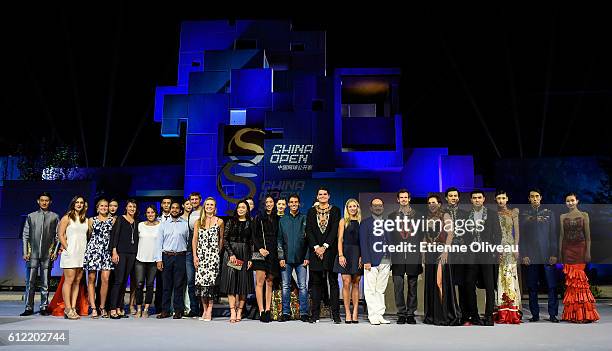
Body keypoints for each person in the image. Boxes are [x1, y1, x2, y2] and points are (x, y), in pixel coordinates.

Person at [462, 190, 502, 326]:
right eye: (474, 198)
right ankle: (474, 315)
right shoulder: (467, 216)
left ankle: (489, 316)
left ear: (484, 199)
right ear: (471, 200)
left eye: (479, 197)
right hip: (472, 254)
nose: (477, 200)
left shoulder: (491, 214)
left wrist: (494, 250)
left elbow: (498, 234)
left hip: (487, 253)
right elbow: (464, 235)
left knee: (489, 286)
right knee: (469, 284)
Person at [520, 188, 559, 323]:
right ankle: (535, 315)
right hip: (531, 255)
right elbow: (522, 237)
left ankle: (553, 314)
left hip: (547, 254)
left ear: (541, 197)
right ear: (529, 199)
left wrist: (554, 253)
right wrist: (524, 254)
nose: (535, 198)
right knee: (532, 286)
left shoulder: (549, 214)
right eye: (532, 196)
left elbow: (553, 235)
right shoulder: (524, 215)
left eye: (537, 196)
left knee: (551, 285)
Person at [560, 192, 600, 323]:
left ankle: (584, 314)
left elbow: (588, 237)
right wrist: (560, 253)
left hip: (580, 250)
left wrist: (588, 252)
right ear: (565, 203)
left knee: (580, 281)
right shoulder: (562, 216)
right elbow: (561, 236)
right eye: (567, 201)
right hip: (568, 251)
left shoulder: (584, 215)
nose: (570, 203)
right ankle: (573, 315)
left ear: (577, 201)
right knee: (571, 282)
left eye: (572, 200)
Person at [422, 194, 461, 326]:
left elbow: (451, 233)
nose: (432, 204)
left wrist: (446, 251)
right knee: (431, 283)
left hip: (441, 252)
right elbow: (424, 237)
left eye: (434, 202)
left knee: (440, 282)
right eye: (429, 202)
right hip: (429, 253)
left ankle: (444, 314)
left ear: (439, 204)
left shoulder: (445, 215)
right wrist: (423, 253)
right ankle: (432, 315)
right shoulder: (426, 218)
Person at [20, 192, 59, 316]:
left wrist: (55, 251)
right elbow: (25, 235)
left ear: (50, 202)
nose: (44, 202)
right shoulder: (31, 216)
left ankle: (43, 307)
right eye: (42, 200)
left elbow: (58, 236)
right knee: (30, 282)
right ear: (38, 201)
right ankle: (28, 307)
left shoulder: (54, 217)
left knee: (45, 282)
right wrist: (26, 252)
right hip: (32, 254)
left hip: (47, 254)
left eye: (46, 200)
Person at [306, 187, 341, 324]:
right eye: (320, 194)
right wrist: (316, 247)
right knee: (316, 284)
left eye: (325, 194)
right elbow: (308, 230)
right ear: (317, 196)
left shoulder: (335, 210)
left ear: (329, 196)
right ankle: (315, 315)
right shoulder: (310, 211)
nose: (322, 196)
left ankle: (336, 314)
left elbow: (334, 230)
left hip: (330, 251)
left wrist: (325, 247)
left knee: (333, 283)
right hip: (315, 252)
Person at [388, 189, 422, 325]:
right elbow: (390, 237)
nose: (403, 199)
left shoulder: (418, 215)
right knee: (398, 286)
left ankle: (410, 314)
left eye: (405, 197)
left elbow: (421, 236)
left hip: (413, 255)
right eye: (401, 197)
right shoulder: (391, 216)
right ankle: (401, 313)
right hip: (397, 255)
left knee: (413, 286)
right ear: (398, 199)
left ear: (409, 199)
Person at [219, 200, 255, 323]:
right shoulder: (230, 221)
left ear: (247, 210)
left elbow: (251, 242)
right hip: (232, 255)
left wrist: (251, 258)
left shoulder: (251, 223)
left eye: (243, 207)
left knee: (243, 285)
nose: (240, 209)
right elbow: (225, 239)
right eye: (239, 207)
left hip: (245, 253)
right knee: (231, 284)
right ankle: (232, 311)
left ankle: (240, 311)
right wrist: (231, 254)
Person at [155, 201, 190, 319]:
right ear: (170, 210)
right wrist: (158, 260)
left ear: (180, 210)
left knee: (179, 285)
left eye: (176, 208)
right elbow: (158, 242)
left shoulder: (185, 224)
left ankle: (178, 310)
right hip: (166, 257)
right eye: (172, 208)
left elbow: (188, 241)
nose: (174, 210)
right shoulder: (163, 224)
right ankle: (165, 310)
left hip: (180, 256)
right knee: (166, 285)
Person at [278, 194, 310, 322]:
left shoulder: (305, 218)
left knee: (303, 286)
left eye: (296, 202)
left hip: (302, 259)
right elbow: (279, 240)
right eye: (291, 202)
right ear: (288, 204)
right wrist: (281, 257)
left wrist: (307, 256)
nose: (294, 204)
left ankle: (304, 313)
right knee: (285, 286)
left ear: (299, 204)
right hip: (286, 259)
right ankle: (285, 313)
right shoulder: (283, 220)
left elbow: (309, 240)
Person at [360, 197, 392, 325]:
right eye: (375, 205)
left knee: (380, 290)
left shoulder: (387, 223)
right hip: (371, 261)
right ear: (371, 208)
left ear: (383, 207)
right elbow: (363, 243)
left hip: (386, 260)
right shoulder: (365, 223)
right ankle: (372, 315)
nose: (378, 207)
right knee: (370, 289)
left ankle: (379, 314)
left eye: (380, 205)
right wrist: (366, 260)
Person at [193, 197, 224, 321]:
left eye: (212, 204)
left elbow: (221, 238)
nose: (209, 206)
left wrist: (217, 252)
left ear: (215, 207)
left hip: (213, 257)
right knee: (201, 284)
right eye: (207, 204)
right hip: (201, 256)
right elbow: (194, 239)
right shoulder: (198, 222)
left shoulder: (220, 221)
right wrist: (195, 256)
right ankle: (204, 310)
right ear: (204, 206)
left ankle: (210, 310)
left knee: (210, 284)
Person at [58, 195, 89, 320]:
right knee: (69, 281)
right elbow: (60, 234)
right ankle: (67, 308)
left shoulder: (85, 220)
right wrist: (67, 248)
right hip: (70, 253)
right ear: (73, 203)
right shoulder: (67, 218)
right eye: (77, 202)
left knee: (77, 282)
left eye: (81, 202)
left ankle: (73, 308)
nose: (79, 204)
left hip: (81, 254)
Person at [83, 198, 115, 319]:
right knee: (91, 278)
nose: (104, 208)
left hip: (106, 251)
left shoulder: (112, 220)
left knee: (105, 279)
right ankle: (94, 308)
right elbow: (88, 236)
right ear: (97, 207)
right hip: (93, 251)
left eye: (106, 206)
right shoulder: (91, 220)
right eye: (101, 206)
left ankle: (102, 306)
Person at [108, 199, 140, 319]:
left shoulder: (137, 222)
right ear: (126, 208)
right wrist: (114, 251)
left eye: (134, 207)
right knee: (118, 281)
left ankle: (119, 308)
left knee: (124, 282)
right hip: (120, 253)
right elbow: (114, 235)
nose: (132, 209)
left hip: (132, 254)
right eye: (130, 206)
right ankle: (112, 309)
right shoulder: (120, 219)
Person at [494, 190, 522, 324]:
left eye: (503, 198)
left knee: (510, 276)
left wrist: (516, 248)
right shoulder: (494, 214)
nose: (501, 200)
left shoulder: (513, 212)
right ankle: (501, 310)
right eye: (498, 198)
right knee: (500, 277)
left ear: (507, 199)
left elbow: (516, 231)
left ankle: (512, 310)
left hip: (510, 248)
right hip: (498, 248)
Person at [333, 199, 362, 323]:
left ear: (358, 207)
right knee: (346, 282)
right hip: (345, 253)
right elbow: (339, 239)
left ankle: (355, 311)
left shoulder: (362, 222)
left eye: (354, 206)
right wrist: (340, 255)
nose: (353, 208)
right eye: (350, 206)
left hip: (358, 254)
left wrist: (362, 256)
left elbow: (364, 241)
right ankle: (347, 312)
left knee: (356, 283)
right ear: (347, 208)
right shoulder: (343, 221)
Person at [253, 195, 281, 323]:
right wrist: (260, 248)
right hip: (261, 252)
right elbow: (254, 236)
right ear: (264, 204)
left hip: (273, 252)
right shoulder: (258, 218)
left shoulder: (278, 218)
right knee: (260, 282)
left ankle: (268, 310)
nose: (269, 204)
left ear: (274, 204)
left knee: (269, 281)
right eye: (266, 202)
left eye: (271, 202)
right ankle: (261, 310)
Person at [443, 187, 470, 319]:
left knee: (462, 284)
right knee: (448, 284)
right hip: (446, 253)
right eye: (450, 195)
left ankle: (464, 314)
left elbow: (470, 233)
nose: (453, 198)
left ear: (458, 198)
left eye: (455, 196)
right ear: (446, 198)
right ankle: (450, 314)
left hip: (462, 253)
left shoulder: (465, 214)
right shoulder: (441, 213)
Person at [135, 205, 161, 318]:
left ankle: (146, 308)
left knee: (150, 285)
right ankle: (139, 308)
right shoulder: (140, 225)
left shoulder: (160, 226)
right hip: (140, 259)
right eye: (148, 212)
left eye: (152, 212)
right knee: (139, 284)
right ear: (145, 214)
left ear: (156, 214)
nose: (150, 214)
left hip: (153, 260)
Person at [154, 196, 172, 312]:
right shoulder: (156, 220)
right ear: (161, 205)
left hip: (170, 253)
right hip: (157, 254)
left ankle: (169, 306)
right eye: (164, 203)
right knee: (159, 282)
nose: (166, 205)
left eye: (168, 203)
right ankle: (158, 306)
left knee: (169, 282)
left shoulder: (176, 219)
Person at [185, 192, 202, 318]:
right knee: (191, 281)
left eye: (196, 199)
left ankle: (203, 308)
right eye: (192, 199)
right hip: (190, 249)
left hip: (203, 249)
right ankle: (194, 309)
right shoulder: (190, 213)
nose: (194, 201)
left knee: (201, 281)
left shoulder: (204, 212)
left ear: (200, 200)